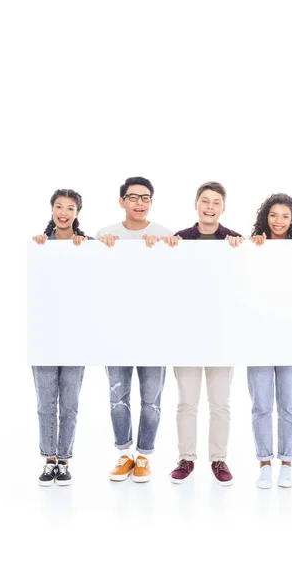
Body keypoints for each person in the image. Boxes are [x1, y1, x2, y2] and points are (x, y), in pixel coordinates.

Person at [164, 181, 243, 486]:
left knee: (220, 402)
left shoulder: (234, 239)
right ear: (196, 204)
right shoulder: (180, 239)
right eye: (205, 201)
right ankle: (186, 458)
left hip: (222, 333)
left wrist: (248, 248)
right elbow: (165, 281)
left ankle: (218, 458)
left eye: (216, 203)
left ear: (223, 207)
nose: (210, 207)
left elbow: (248, 281)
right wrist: (165, 248)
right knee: (187, 402)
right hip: (186, 332)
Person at [96, 177, 172, 483]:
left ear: (151, 202)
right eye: (133, 197)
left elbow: (174, 282)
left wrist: (163, 250)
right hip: (115, 330)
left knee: (151, 399)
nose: (139, 203)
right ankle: (124, 454)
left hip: (154, 330)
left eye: (145, 198)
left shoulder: (165, 235)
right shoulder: (104, 235)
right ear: (121, 201)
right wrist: (101, 251)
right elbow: (92, 281)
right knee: (118, 396)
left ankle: (144, 456)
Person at [248, 193, 292, 489]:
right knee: (261, 404)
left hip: (290, 337)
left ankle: (287, 462)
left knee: (288, 405)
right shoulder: (252, 247)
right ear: (266, 216)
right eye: (273, 215)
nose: (279, 221)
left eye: (285, 216)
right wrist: (250, 250)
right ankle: (264, 463)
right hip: (258, 336)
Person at [32, 188, 93, 486]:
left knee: (69, 403)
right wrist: (39, 249)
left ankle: (64, 460)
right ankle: (48, 460)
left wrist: (92, 247)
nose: (64, 212)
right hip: (44, 336)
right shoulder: (40, 245)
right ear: (52, 209)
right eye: (59, 206)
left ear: (77, 213)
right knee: (46, 403)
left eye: (70, 208)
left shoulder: (87, 245)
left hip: (76, 338)